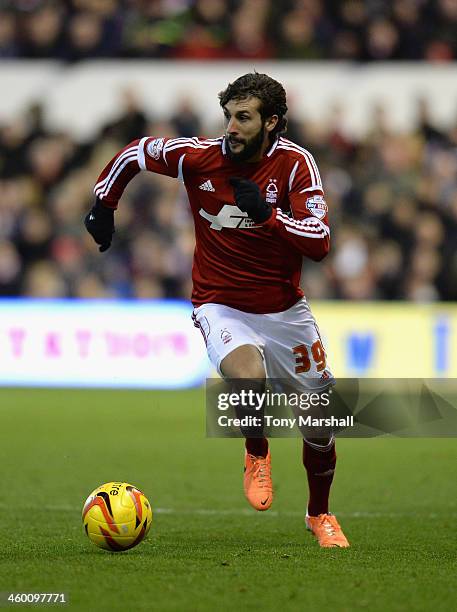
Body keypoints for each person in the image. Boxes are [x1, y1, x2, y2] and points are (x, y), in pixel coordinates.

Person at [84, 72, 349, 548]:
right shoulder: (199, 156)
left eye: (243, 118)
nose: (232, 126)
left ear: (272, 123)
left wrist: (270, 216)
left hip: (286, 311)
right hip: (220, 303)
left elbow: (321, 241)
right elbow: (136, 152)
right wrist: (105, 203)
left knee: (320, 426)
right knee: (248, 379)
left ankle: (319, 514)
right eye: (229, 116)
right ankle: (256, 452)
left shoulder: (295, 165)